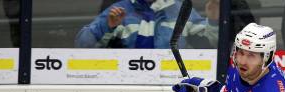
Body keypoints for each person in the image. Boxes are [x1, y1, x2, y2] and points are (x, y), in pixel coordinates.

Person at [75, 0, 220, 49]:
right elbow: (82, 45)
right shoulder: (120, 9)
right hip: (125, 86)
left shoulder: (180, 9)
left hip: (172, 83)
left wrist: (213, 20)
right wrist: (107, 26)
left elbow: (213, 45)